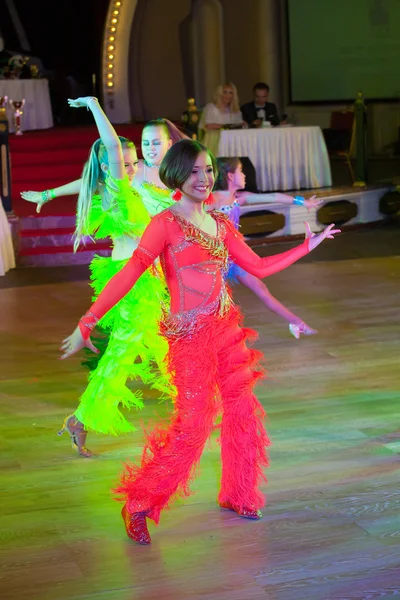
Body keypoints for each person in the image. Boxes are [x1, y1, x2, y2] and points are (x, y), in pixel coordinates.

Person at [59, 139, 340, 544]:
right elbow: (129, 273)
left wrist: (307, 246)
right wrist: (87, 322)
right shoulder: (165, 223)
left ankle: (238, 493)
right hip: (188, 336)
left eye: (207, 170)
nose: (203, 178)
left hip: (226, 328)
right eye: (193, 171)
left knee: (243, 411)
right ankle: (139, 502)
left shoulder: (222, 223)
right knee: (194, 423)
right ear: (176, 174)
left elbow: (258, 266)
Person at [26, 97, 173, 458]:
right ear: (108, 167)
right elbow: (107, 150)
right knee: (123, 355)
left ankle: (199, 401)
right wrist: (93, 105)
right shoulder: (119, 188)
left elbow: (86, 178)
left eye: (132, 160)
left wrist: (49, 193)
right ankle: (82, 418)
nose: (130, 167)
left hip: (147, 279)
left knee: (164, 345)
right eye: (122, 163)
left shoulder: (128, 182)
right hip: (132, 282)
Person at [209, 157, 323, 338]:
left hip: (235, 257)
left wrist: (302, 202)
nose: (245, 175)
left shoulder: (240, 197)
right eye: (241, 171)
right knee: (214, 303)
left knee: (261, 289)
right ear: (230, 176)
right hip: (212, 260)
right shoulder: (213, 199)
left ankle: (296, 323)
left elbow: (274, 196)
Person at [198, 82, 245, 156]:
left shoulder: (235, 109)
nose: (228, 95)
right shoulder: (211, 107)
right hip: (214, 140)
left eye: (230, 93)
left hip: (231, 140)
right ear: (219, 94)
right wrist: (226, 126)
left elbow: (239, 124)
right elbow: (207, 125)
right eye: (225, 92)